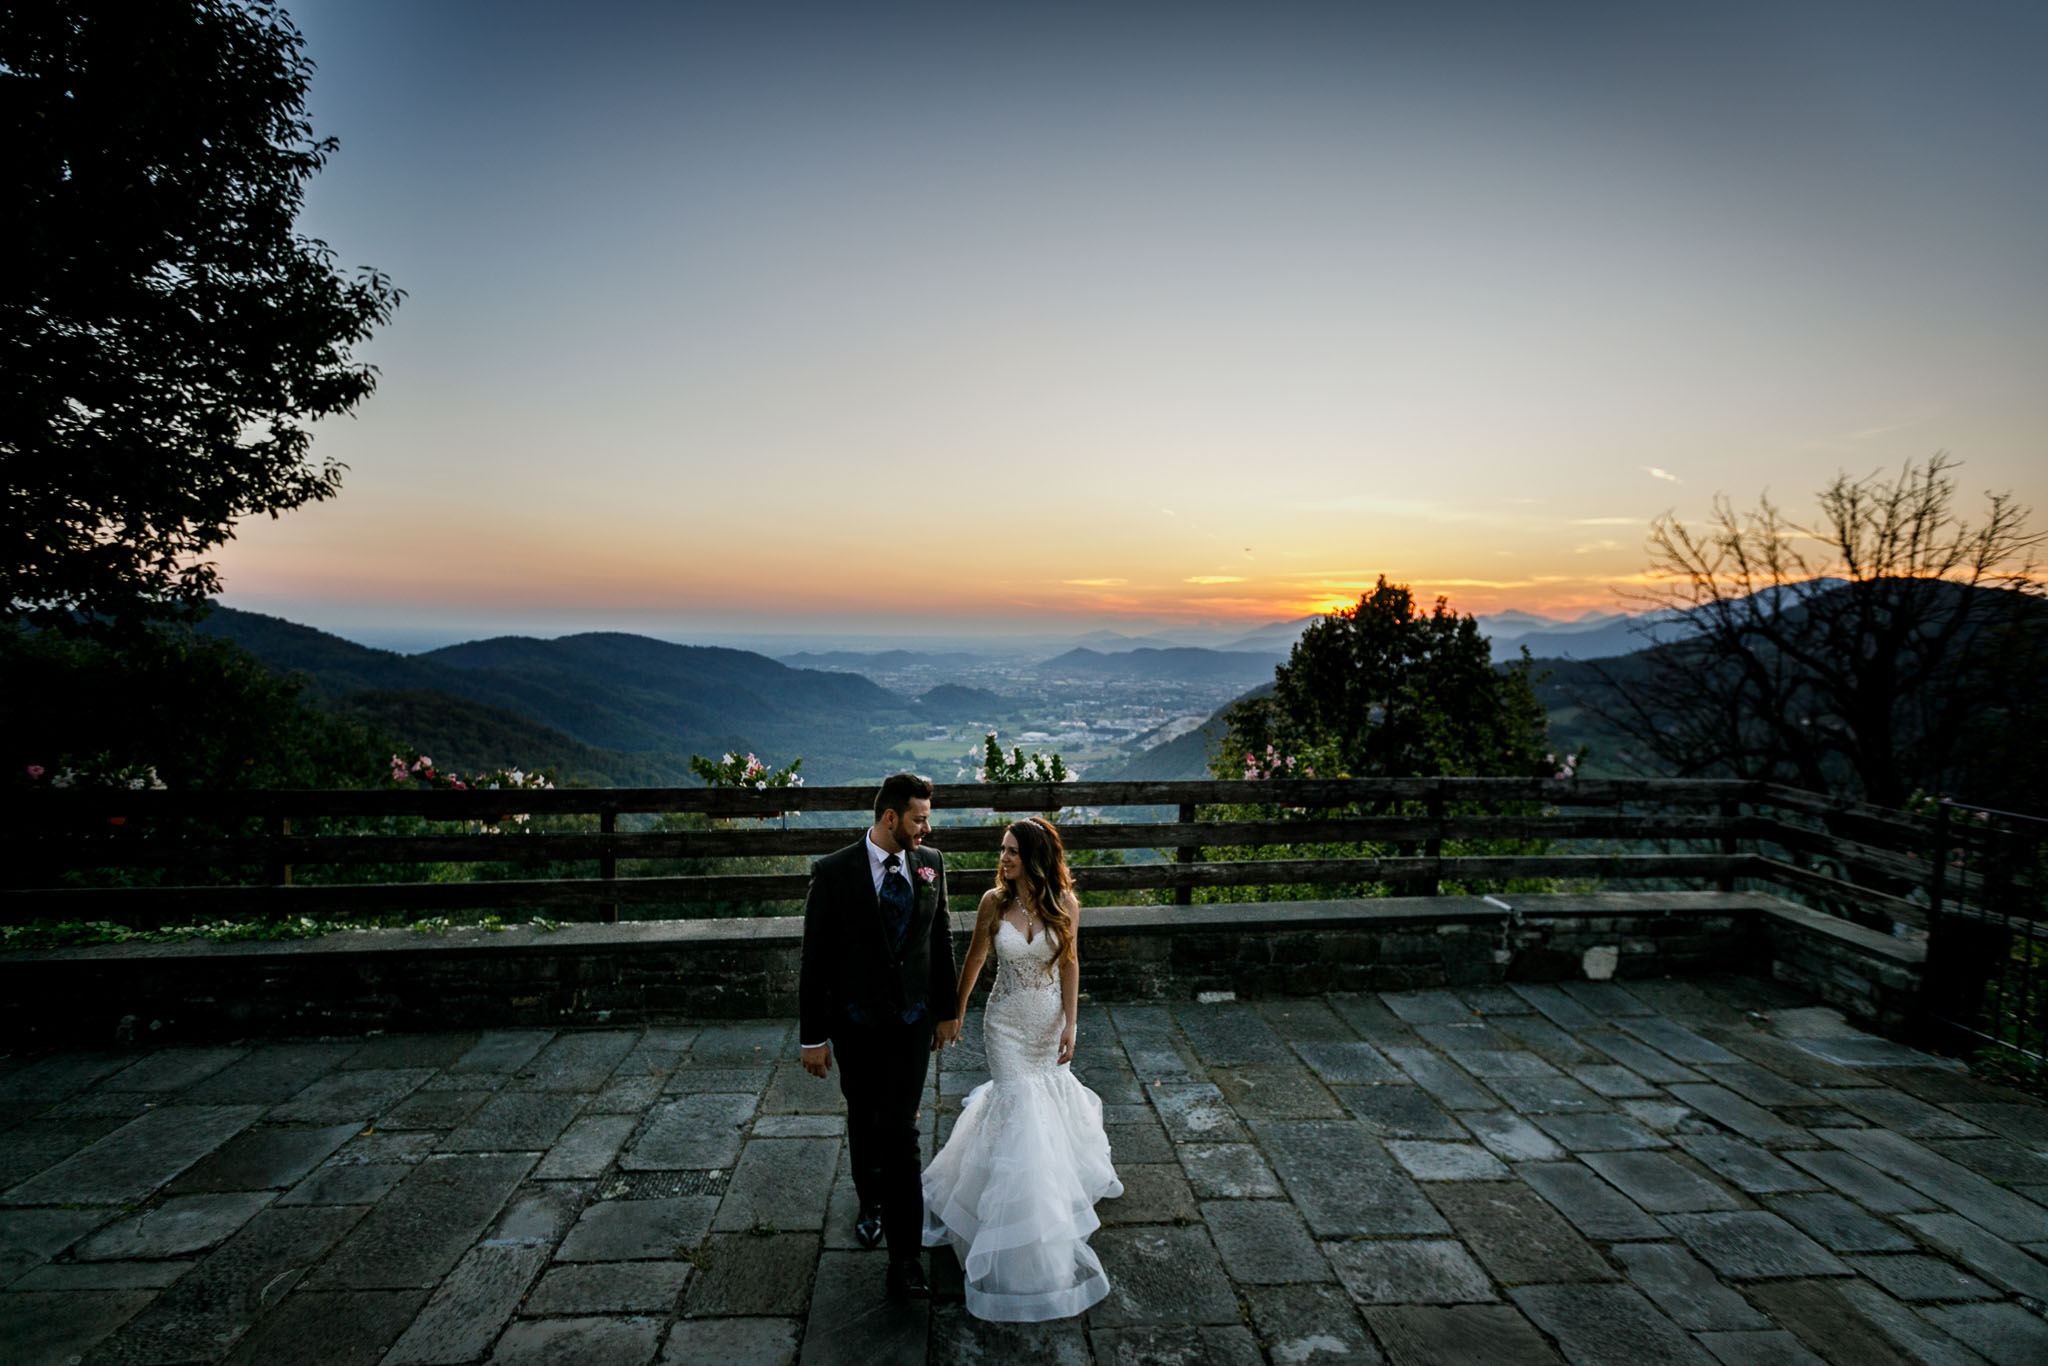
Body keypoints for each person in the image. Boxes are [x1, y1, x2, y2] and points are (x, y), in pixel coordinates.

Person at [921, 816, 1123, 1322]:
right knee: (1019, 1103)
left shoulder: (1066, 905)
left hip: (1047, 1020)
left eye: (1012, 851)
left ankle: (1042, 1196)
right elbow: (973, 958)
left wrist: (1071, 1024)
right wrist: (956, 1011)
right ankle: (1019, 1228)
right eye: (1003, 850)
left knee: (1043, 1100)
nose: (1004, 858)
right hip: (1005, 1024)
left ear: (1034, 857)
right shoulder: (994, 903)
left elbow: (1072, 964)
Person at [798, 772, 962, 1299]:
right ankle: (869, 1200)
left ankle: (905, 1260)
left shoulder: (931, 864)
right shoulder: (834, 872)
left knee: (902, 1133)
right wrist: (812, 1037)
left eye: (928, 819)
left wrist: (948, 1010)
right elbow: (814, 960)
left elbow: (940, 938)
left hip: (913, 1024)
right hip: (856, 1025)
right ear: (890, 817)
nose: (926, 828)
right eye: (918, 819)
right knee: (864, 1119)